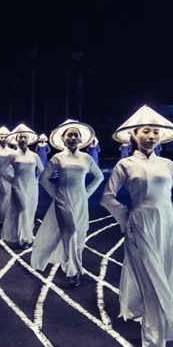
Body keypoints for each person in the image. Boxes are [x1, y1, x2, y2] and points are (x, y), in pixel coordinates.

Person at [100, 105, 173, 347]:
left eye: (155, 132)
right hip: (139, 226)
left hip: (167, 228)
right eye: (145, 131)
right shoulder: (125, 164)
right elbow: (107, 198)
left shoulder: (168, 165)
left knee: (168, 279)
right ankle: (154, 343)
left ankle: (154, 328)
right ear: (134, 135)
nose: (151, 136)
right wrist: (127, 218)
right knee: (153, 284)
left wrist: (169, 214)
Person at [30, 119, 105, 286]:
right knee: (70, 233)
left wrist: (87, 193)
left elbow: (99, 176)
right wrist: (56, 194)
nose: (73, 137)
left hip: (80, 200)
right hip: (62, 200)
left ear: (80, 139)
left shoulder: (86, 158)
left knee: (79, 235)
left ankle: (69, 263)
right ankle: (74, 271)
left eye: (76, 135)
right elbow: (43, 178)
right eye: (69, 135)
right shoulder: (58, 158)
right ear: (63, 138)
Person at [2, 123, 44, 248]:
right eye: (20, 137)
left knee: (30, 211)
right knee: (23, 209)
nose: (23, 139)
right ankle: (24, 239)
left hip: (32, 187)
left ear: (29, 140)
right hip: (18, 185)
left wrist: (36, 181)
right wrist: (12, 180)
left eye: (25, 137)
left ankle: (27, 235)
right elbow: (0, 170)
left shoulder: (34, 156)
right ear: (16, 140)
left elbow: (42, 171)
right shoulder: (12, 155)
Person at [0, 126, 15, 223]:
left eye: (5, 137)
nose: (3, 139)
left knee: (10, 196)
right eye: (1, 137)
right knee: (1, 196)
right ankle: (2, 219)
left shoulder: (12, 151)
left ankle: (8, 219)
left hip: (10, 176)